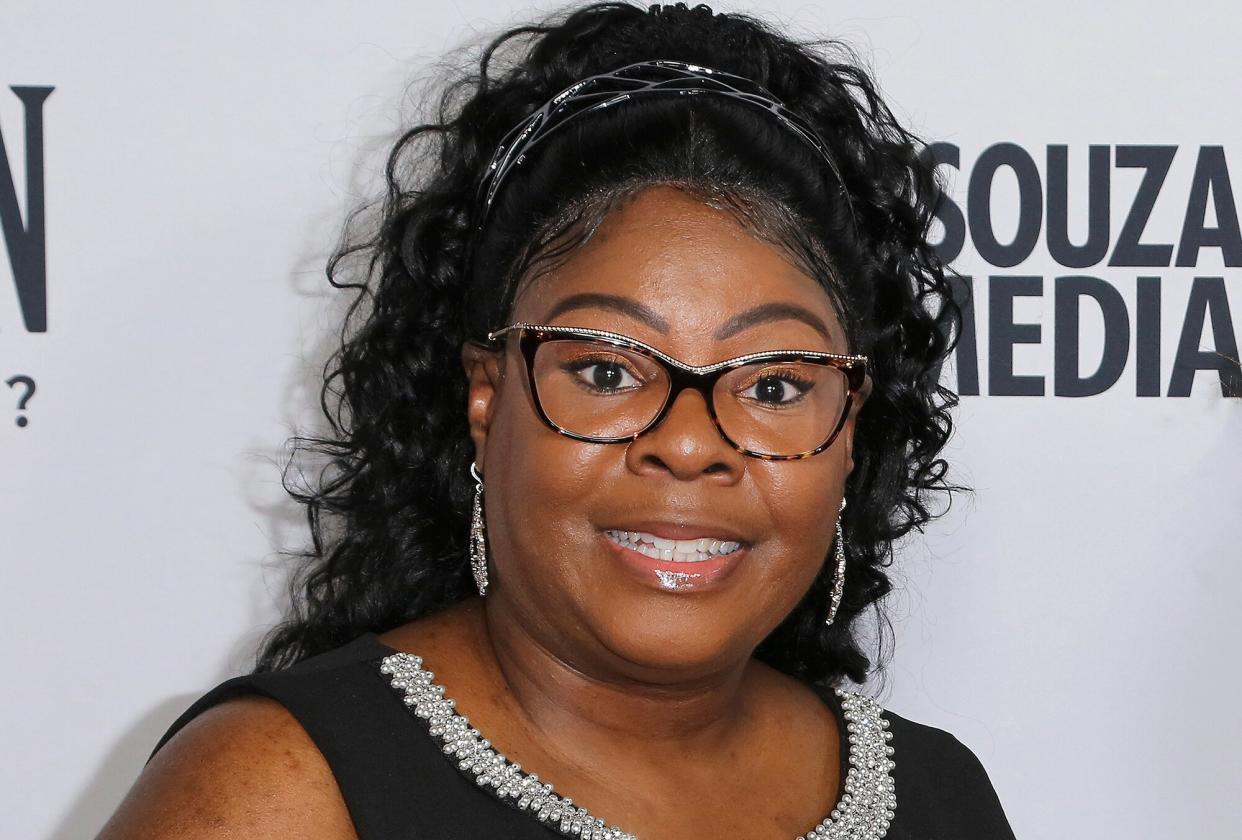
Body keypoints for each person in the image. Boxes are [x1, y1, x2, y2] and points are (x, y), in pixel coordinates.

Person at [99, 3, 1016, 838]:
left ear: (851, 427)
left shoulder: (939, 797)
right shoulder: (280, 790)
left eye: (774, 385)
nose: (690, 445)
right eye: (608, 370)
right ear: (485, 392)